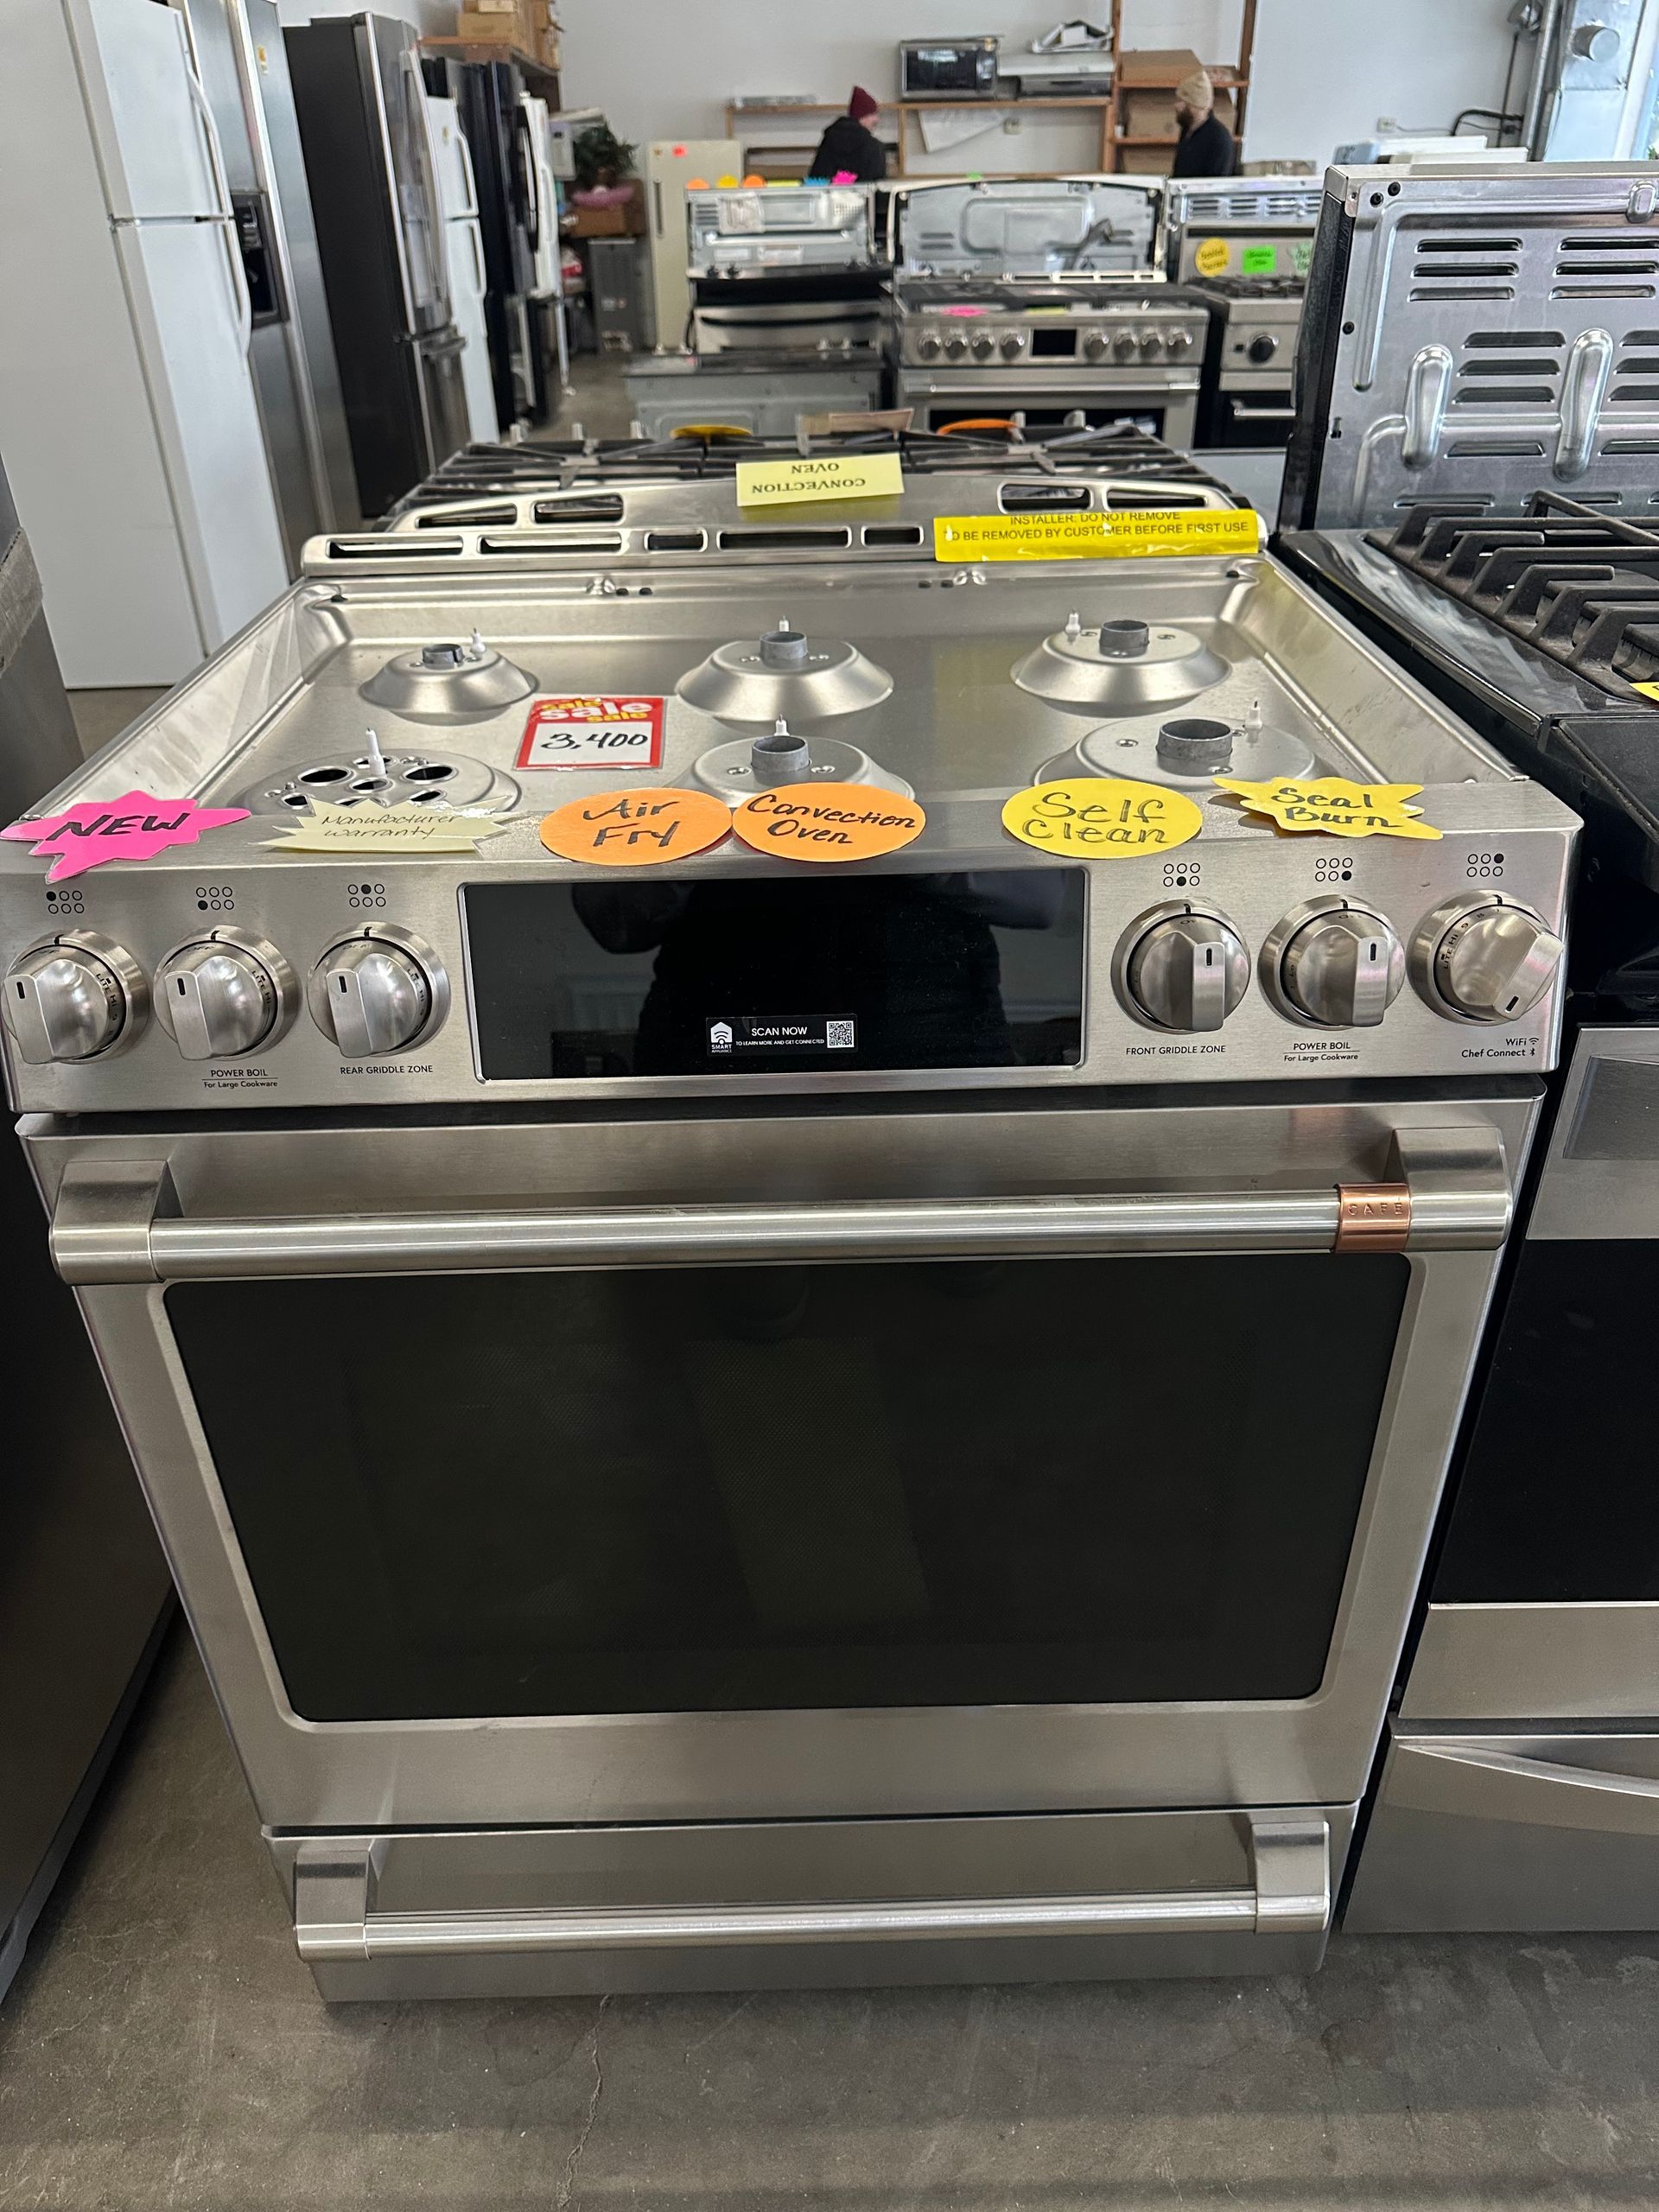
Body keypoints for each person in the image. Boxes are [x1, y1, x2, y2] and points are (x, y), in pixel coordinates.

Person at [809, 86, 887, 183]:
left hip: (828, 192)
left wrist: (840, 183)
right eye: (874, 114)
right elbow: (876, 184)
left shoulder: (830, 139)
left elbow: (816, 178)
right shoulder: (873, 147)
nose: (877, 119)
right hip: (860, 193)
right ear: (863, 116)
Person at [1170, 67, 1236, 177]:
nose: (1176, 106)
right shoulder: (1187, 129)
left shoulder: (1219, 139)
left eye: (1183, 102)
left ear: (1198, 105)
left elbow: (1214, 184)